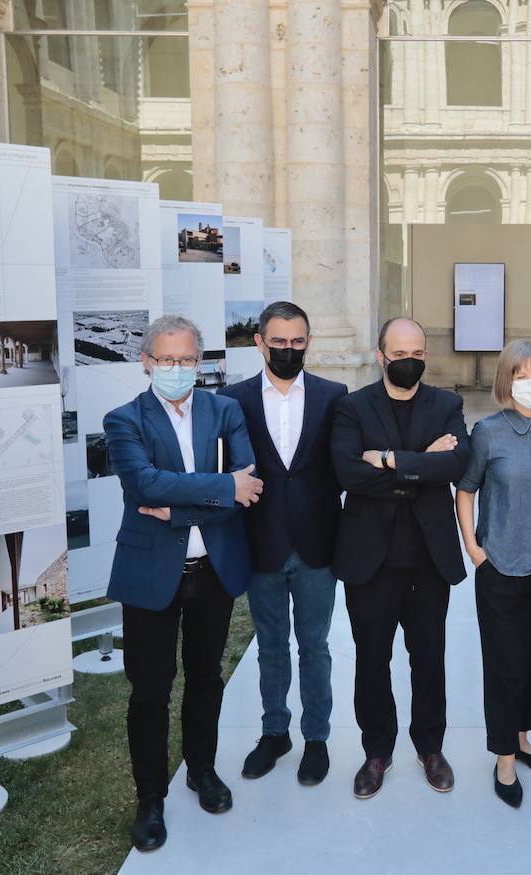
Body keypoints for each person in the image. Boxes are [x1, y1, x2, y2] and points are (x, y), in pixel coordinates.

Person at [103, 314, 264, 853]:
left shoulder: (225, 411)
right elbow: (142, 483)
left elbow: (248, 486)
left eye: (187, 360)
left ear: (201, 362)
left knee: (205, 678)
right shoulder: (124, 419)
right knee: (150, 690)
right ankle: (150, 798)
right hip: (151, 574)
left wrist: (174, 505)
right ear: (147, 361)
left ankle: (201, 770)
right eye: (167, 360)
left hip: (212, 572)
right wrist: (218, 490)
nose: (177, 369)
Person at [330, 317, 469, 799]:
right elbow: (348, 472)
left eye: (417, 354)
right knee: (372, 659)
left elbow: (456, 464)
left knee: (429, 658)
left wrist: (386, 459)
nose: (408, 361)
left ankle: (430, 747)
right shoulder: (351, 407)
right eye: (399, 353)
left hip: (429, 559)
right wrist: (420, 463)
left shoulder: (448, 404)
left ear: (425, 356)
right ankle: (377, 751)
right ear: (380, 354)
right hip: (371, 560)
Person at [218, 301, 347, 786]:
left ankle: (317, 738)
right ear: (260, 342)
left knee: (315, 645)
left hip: (318, 546)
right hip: (261, 543)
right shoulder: (234, 400)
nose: (288, 350)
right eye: (278, 342)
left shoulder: (335, 396)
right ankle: (275, 733)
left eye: (297, 342)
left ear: (308, 342)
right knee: (270, 645)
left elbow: (343, 465)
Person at [456, 339, 531, 809]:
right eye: (521, 374)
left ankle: (524, 737)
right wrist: (474, 550)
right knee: (506, 667)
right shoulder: (486, 433)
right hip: (502, 567)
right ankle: (505, 756)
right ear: (505, 381)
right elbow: (466, 490)